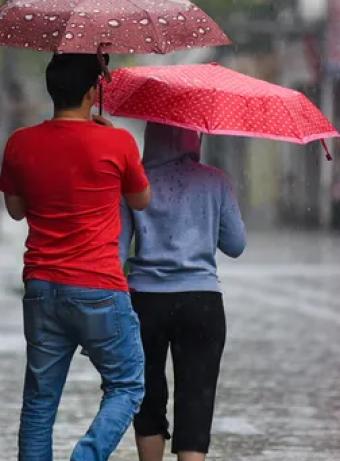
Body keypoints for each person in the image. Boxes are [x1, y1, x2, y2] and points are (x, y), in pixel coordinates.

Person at [0, 53, 151, 461]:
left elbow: (15, 210)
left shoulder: (20, 142)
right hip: (98, 287)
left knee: (39, 403)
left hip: (42, 287)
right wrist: (112, 144)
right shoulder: (117, 142)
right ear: (92, 93)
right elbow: (141, 200)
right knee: (127, 385)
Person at [118, 123, 246, 461]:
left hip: (144, 303)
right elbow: (236, 245)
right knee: (196, 400)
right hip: (201, 303)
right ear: (192, 135)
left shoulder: (135, 182)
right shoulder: (215, 180)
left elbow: (116, 254)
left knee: (147, 398)